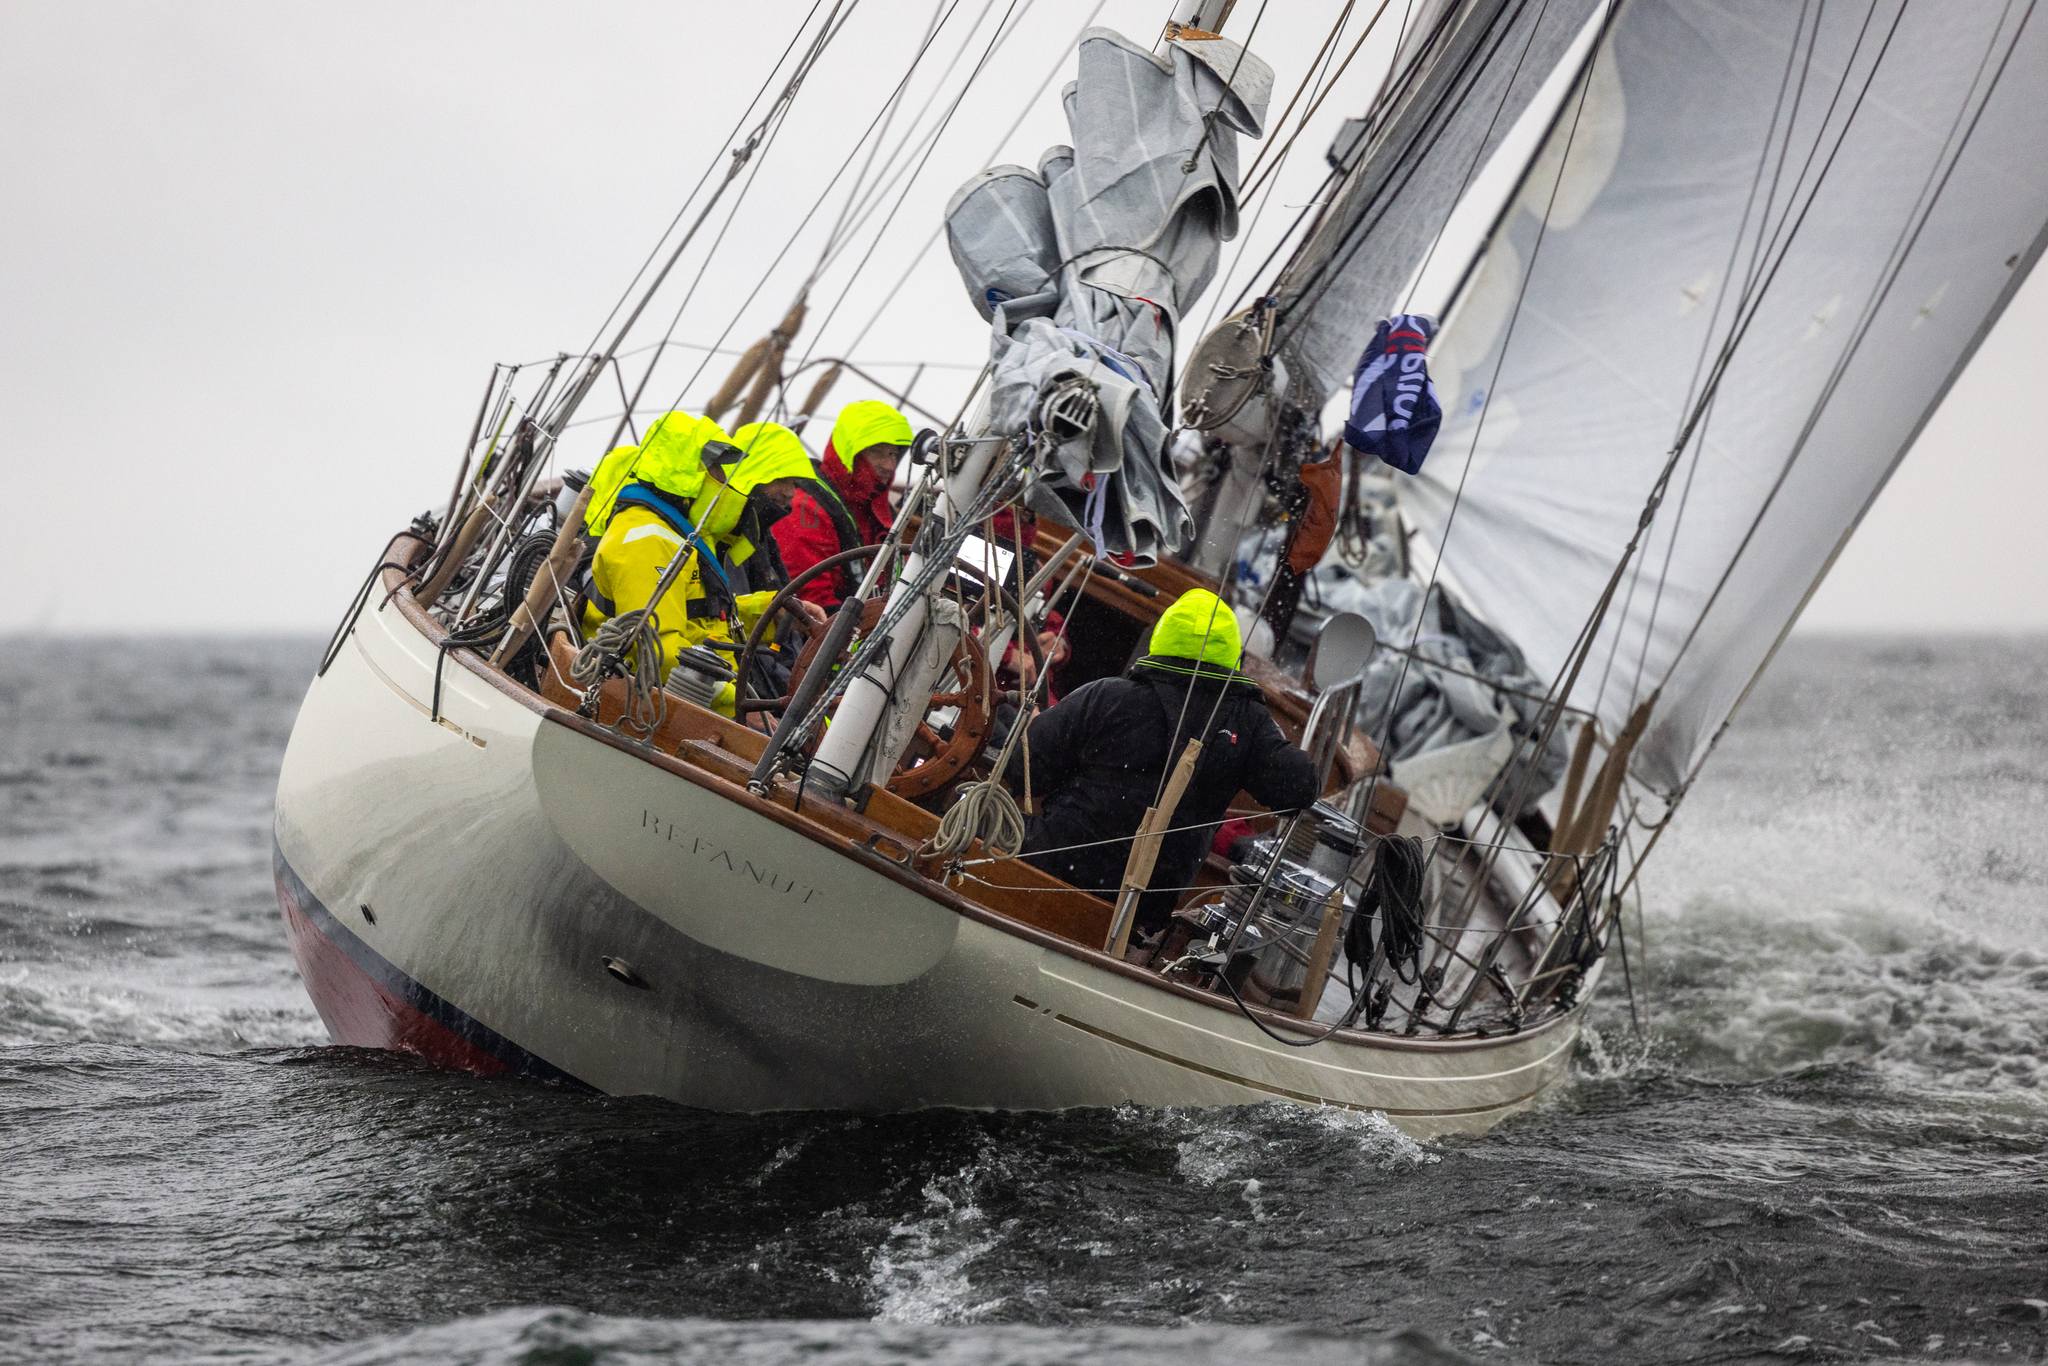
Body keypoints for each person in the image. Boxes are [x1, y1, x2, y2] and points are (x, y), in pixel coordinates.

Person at [1017, 588, 1316, 934]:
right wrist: (1254, 730)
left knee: (973, 813)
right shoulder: (1247, 722)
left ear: (1163, 637)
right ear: (1232, 655)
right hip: (1141, 910)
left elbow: (1025, 769)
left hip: (1051, 866)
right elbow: (1300, 787)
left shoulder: (1106, 696)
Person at [581, 412, 822, 716]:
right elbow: (658, 651)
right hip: (653, 714)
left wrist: (772, 611)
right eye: (716, 469)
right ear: (686, 471)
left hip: (690, 706)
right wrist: (740, 712)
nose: (724, 480)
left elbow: (700, 617)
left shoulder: (677, 535)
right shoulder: (646, 541)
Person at [769, 399, 913, 610]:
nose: (889, 465)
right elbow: (811, 604)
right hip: (826, 634)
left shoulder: (877, 510)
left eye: (893, 454)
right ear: (848, 451)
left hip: (871, 627)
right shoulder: (806, 510)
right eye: (877, 451)